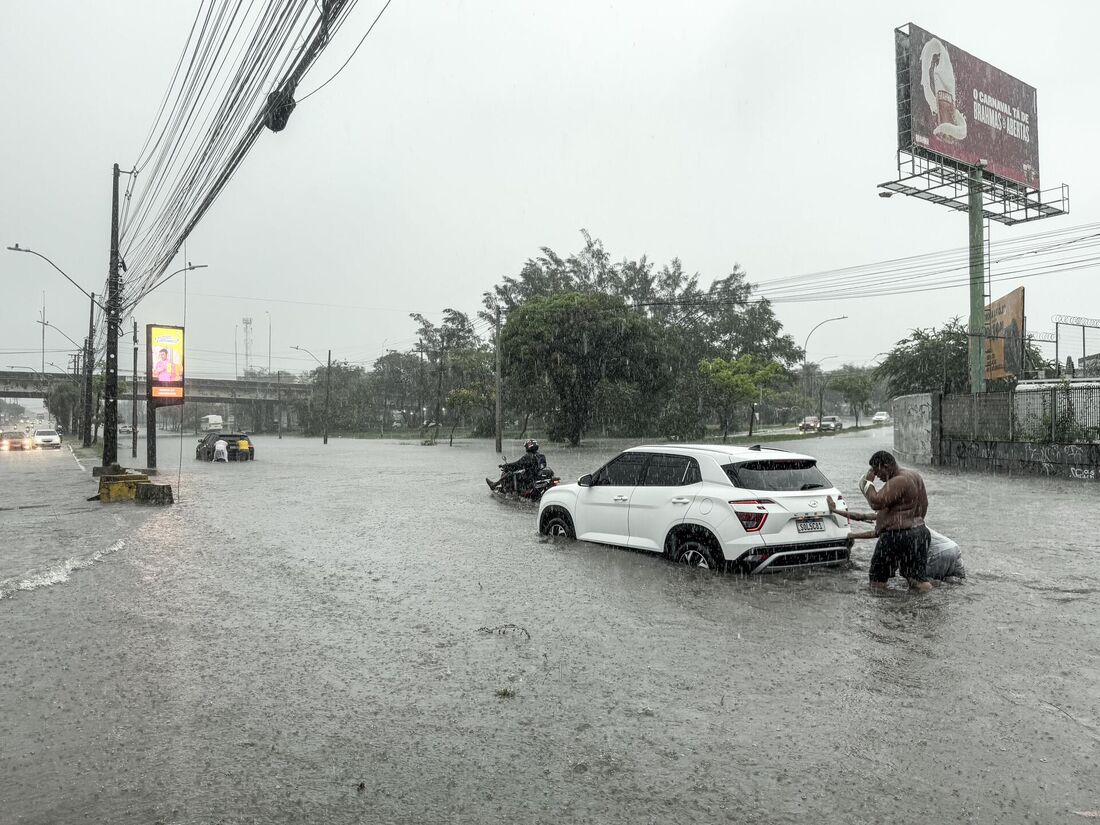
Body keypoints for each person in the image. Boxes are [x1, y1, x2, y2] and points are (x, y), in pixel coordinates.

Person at [830, 496, 965, 581]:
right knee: (956, 584)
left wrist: (852, 535)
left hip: (939, 554)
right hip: (954, 548)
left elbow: (866, 523)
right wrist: (836, 512)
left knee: (919, 583)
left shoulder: (893, 520)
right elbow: (861, 517)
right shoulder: (908, 517)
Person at [857, 450, 932, 592]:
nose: (877, 477)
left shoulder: (899, 480)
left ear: (885, 466)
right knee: (917, 580)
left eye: (877, 472)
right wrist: (912, 525)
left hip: (896, 537)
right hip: (919, 533)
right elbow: (924, 505)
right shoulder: (914, 475)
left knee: (877, 581)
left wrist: (866, 483)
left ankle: (886, 611)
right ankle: (924, 607)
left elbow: (876, 502)